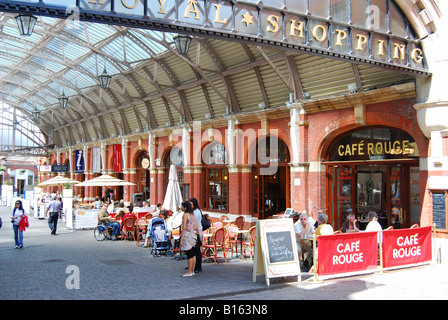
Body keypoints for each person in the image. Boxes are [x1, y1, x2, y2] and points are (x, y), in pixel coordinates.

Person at [180, 200, 199, 277]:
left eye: (182, 206)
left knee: (189, 253)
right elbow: (197, 226)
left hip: (188, 235)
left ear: (185, 207)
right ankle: (193, 270)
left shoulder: (185, 215)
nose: (181, 207)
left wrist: (181, 238)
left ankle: (189, 271)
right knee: (193, 253)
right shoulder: (193, 214)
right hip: (194, 234)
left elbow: (184, 227)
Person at [189, 197, 203, 273]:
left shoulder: (196, 212)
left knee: (197, 250)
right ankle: (192, 265)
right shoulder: (193, 211)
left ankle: (198, 266)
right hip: (193, 232)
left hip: (196, 232)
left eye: (190, 204)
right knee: (192, 250)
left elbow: (195, 223)